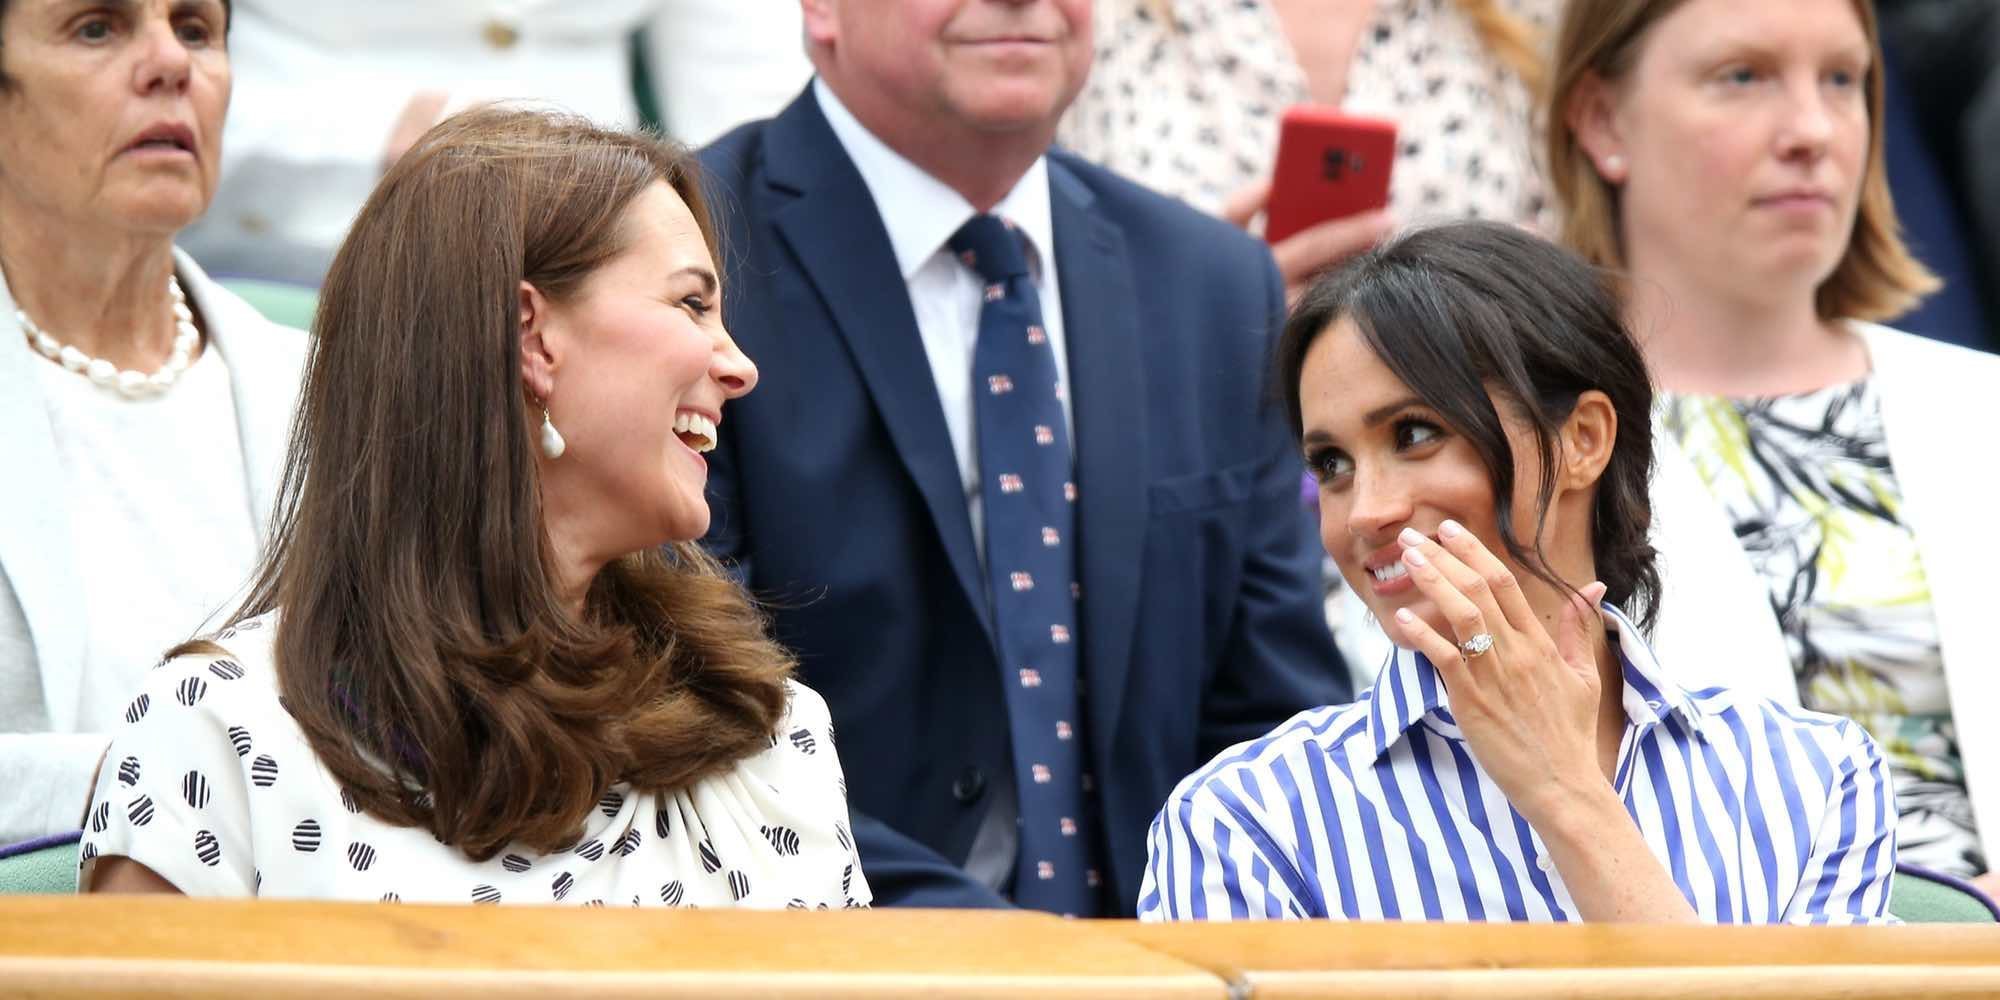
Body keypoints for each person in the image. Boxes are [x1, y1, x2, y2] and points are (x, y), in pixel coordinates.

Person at [79, 107, 868, 908]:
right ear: (532, 337)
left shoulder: (768, 731)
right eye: (693, 305)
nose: (739, 367)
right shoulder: (220, 734)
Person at [697, 0, 1346, 916]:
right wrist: (1024, 968)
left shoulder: (1209, 285)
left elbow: (1274, 728)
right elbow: (688, 714)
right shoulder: (687, 262)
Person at [1142, 221, 1898, 924]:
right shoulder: (1245, 820)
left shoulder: (1813, 777)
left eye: (1414, 434)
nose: (1364, 511)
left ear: (1583, 439)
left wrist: (1568, 797)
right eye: (1330, 464)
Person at [1548, 0, 2000, 892]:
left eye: (1842, 79)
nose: (1811, 131)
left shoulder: (1978, 407)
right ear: (1603, 120)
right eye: (1743, 77)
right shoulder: (1518, 444)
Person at [0, 0, 309, 846]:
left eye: (197, 28)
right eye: (96, 27)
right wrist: (181, 774)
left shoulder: (331, 387)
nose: (170, 64)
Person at [178, 0, 813, 287]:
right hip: (299, 260)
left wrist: (713, 251)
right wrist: (371, 142)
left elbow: (748, 88)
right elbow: (119, 55)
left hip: (604, 251)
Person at [1059, 0, 1558, 300]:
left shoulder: (1525, 18)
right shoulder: (1099, 20)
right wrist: (1208, 318)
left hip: (1474, 448)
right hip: (1196, 449)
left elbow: (1606, 263)